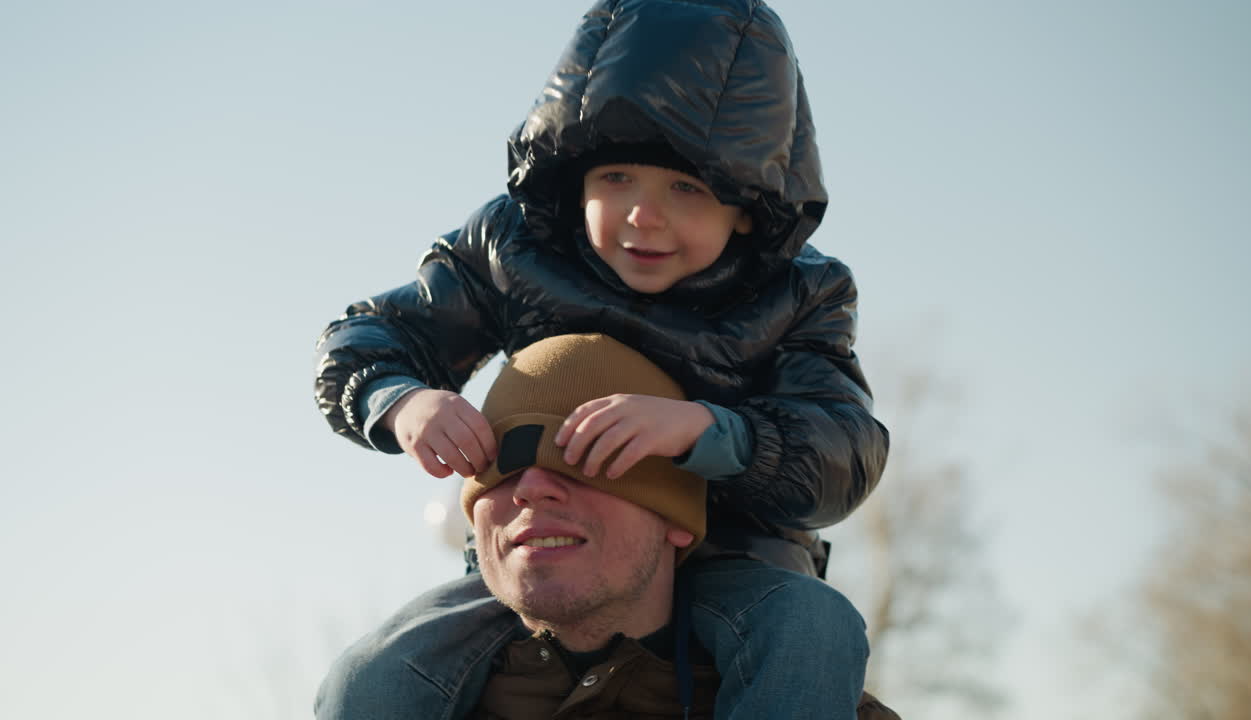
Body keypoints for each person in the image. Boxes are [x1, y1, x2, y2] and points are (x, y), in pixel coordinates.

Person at [313, 0, 892, 715]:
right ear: (573, 174)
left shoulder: (798, 292)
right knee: (371, 676)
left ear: (747, 206)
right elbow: (370, 335)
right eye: (617, 179)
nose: (643, 216)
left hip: (738, 557)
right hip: (550, 547)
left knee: (816, 627)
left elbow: (844, 447)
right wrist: (402, 400)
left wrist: (704, 430)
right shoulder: (518, 248)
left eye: (687, 188)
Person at [315, 334, 899, 719]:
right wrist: (393, 397)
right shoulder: (399, 691)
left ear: (676, 518)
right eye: (497, 463)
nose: (531, 486)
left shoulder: (807, 687)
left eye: (584, 456)